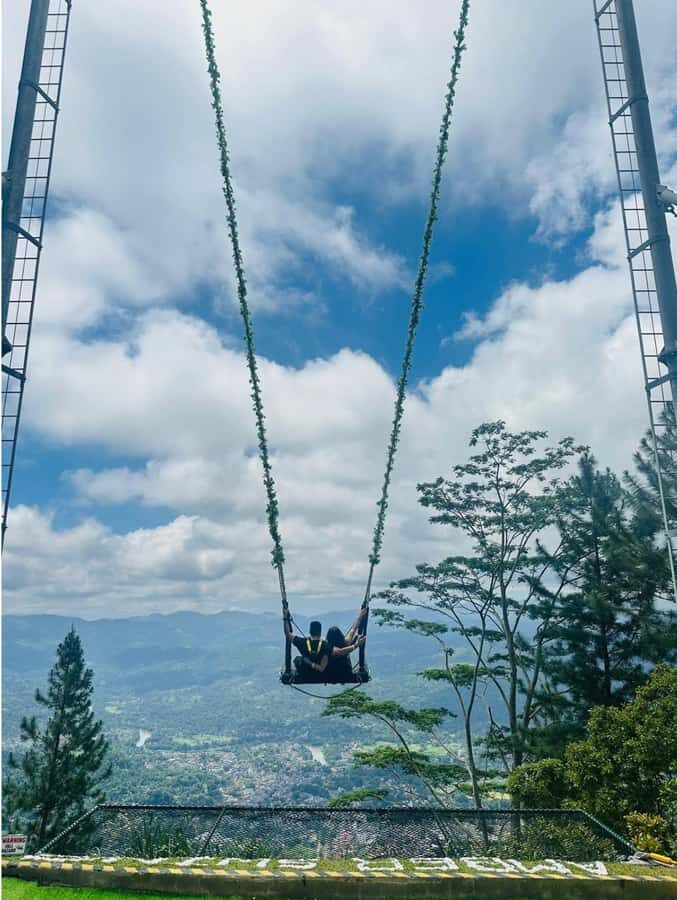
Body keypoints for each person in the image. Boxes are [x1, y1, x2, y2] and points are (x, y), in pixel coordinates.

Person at [325, 607, 367, 683]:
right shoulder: (345, 643)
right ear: (340, 635)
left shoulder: (326, 647)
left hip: (330, 673)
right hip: (344, 671)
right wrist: (360, 616)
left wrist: (361, 616)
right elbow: (353, 629)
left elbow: (354, 629)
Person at [284, 614, 329, 681]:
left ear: (310, 631)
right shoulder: (326, 645)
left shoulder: (302, 642)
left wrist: (285, 617)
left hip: (304, 674)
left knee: (297, 659)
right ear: (320, 632)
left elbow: (287, 633)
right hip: (320, 675)